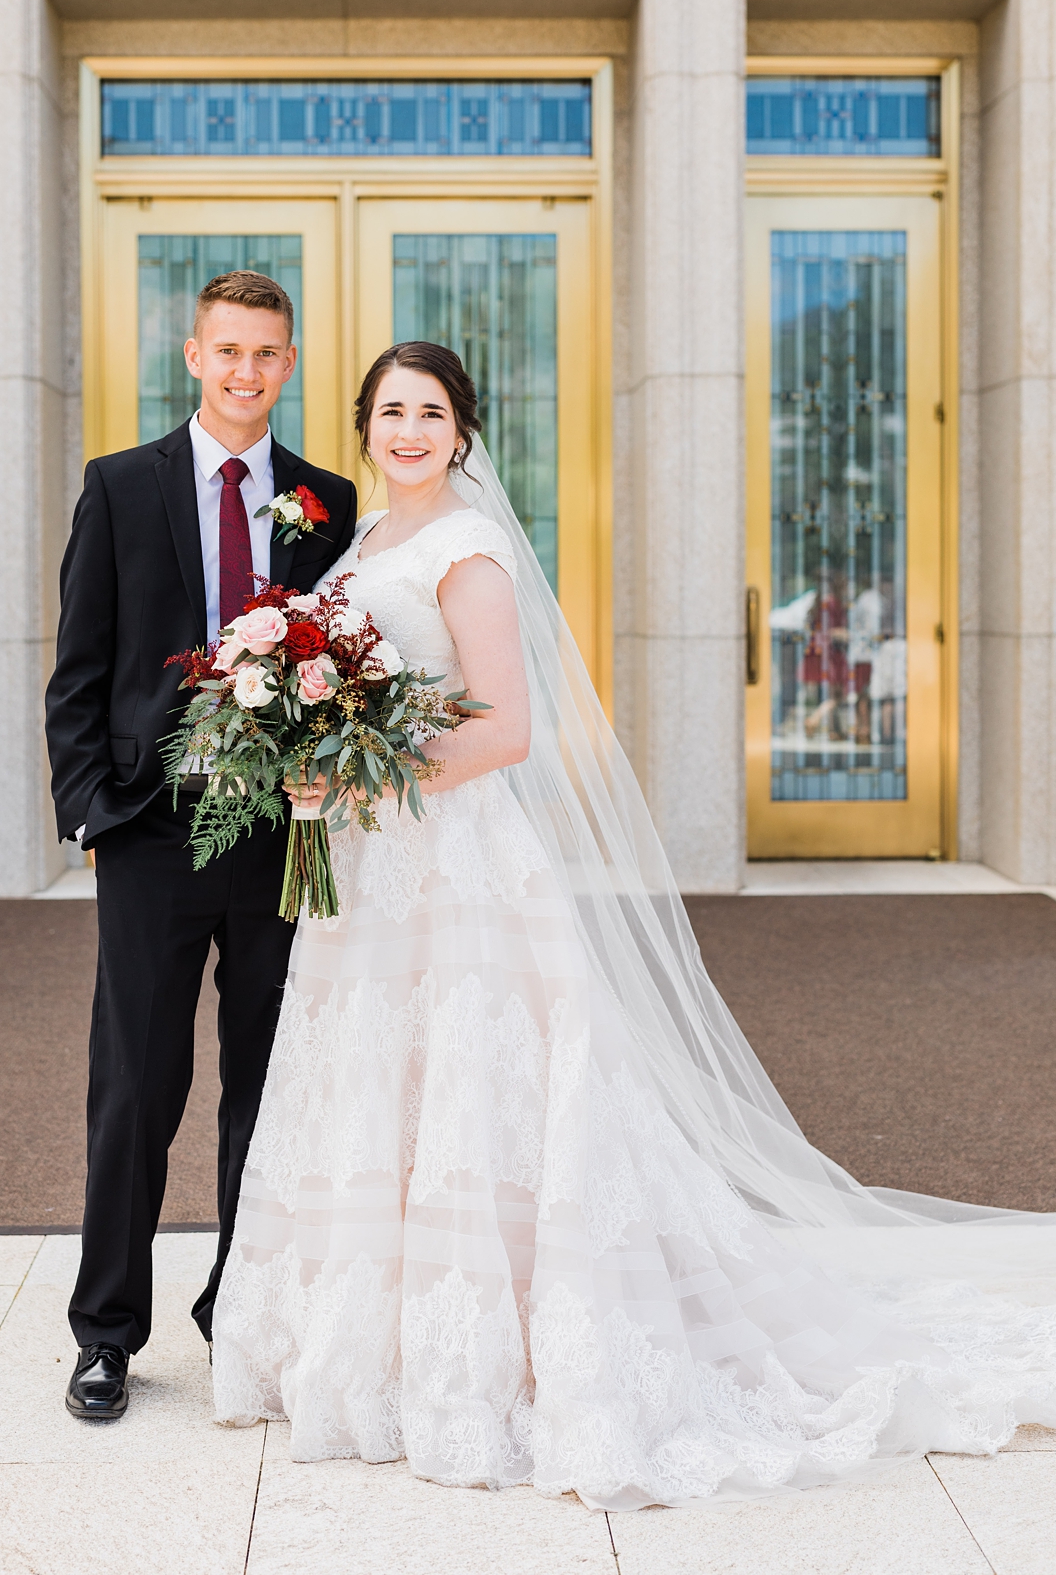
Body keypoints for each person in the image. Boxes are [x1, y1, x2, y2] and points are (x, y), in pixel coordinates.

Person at [210, 339, 1056, 1508]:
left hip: (453, 863)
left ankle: (493, 1361)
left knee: (470, 1093)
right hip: (372, 869)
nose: (409, 430)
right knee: (376, 1087)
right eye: (392, 411)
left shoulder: (469, 545)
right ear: (364, 426)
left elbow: (503, 731)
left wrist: (356, 780)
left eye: (432, 412)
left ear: (463, 431)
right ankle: (371, 1353)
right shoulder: (365, 544)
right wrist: (308, 756)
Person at [45, 270, 357, 1421]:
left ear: (288, 362)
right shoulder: (122, 487)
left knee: (268, 1088)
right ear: (193, 356)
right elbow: (78, 670)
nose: (245, 372)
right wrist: (93, 809)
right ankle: (106, 1332)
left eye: (267, 354)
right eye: (227, 351)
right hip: (148, 834)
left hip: (284, 836)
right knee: (134, 1086)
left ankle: (241, 1310)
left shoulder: (326, 499)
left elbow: (351, 654)